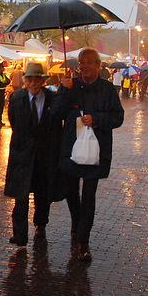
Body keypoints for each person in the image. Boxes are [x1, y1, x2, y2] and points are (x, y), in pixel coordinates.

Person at [52, 48, 124, 261]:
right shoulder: (71, 85)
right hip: (72, 148)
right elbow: (56, 112)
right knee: (71, 191)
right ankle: (77, 223)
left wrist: (97, 119)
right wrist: (64, 90)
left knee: (89, 196)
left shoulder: (107, 89)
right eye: (81, 62)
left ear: (98, 65)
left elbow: (118, 118)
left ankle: (83, 240)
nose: (84, 66)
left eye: (89, 62)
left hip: (95, 150)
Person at [4, 62, 63, 246]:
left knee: (42, 194)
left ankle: (41, 225)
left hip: (44, 156)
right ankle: (20, 234)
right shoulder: (17, 98)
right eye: (29, 79)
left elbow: (55, 125)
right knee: (20, 197)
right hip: (22, 154)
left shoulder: (52, 98)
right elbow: (14, 122)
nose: (33, 83)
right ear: (25, 80)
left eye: (37, 79)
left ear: (42, 81)